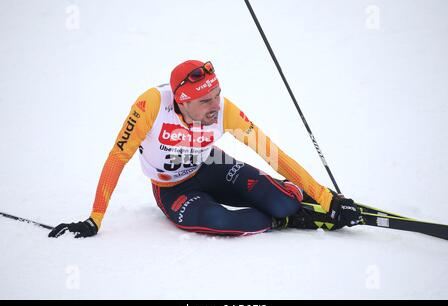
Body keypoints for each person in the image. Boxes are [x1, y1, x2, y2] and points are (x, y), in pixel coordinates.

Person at [48, 60, 363, 238]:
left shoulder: (225, 111)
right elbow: (117, 158)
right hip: (171, 189)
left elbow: (272, 154)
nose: (216, 105)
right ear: (182, 101)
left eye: (217, 94)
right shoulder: (150, 107)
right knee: (222, 221)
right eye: (206, 100)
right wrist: (95, 218)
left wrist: (326, 197)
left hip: (211, 166)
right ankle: (284, 219)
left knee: (282, 202)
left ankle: (293, 197)